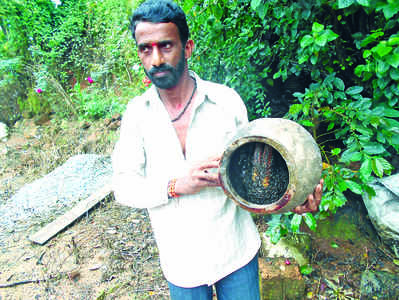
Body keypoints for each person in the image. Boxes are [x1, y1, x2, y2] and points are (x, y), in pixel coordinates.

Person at [112, 1, 323, 299]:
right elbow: (123, 187)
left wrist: (292, 199)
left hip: (235, 253)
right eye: (146, 49)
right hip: (181, 264)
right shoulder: (137, 115)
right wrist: (176, 185)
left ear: (187, 48)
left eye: (166, 45)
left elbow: (255, 177)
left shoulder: (226, 102)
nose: (156, 58)